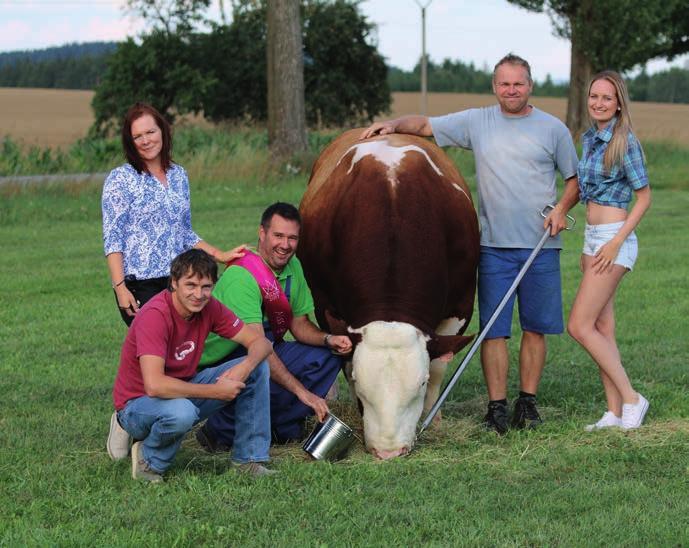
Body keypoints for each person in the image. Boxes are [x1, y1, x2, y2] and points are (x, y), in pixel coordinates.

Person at [361, 53, 579, 434]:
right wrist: (394, 124)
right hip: (494, 247)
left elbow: (574, 182)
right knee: (494, 331)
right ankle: (496, 407)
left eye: (519, 83)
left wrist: (561, 208)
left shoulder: (553, 129)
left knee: (535, 328)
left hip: (541, 246)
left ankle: (527, 403)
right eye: (504, 83)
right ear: (495, 87)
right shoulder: (478, 121)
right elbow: (426, 126)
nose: (512, 90)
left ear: (531, 85)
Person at [106, 249, 274, 482]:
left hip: (181, 390)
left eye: (206, 287)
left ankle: (249, 460)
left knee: (257, 367)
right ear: (174, 283)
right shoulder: (155, 315)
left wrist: (244, 368)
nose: (199, 294)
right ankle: (148, 460)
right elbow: (154, 386)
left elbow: (261, 343)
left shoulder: (210, 307)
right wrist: (216, 391)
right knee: (182, 412)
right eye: (191, 285)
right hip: (137, 402)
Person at [195, 202, 352, 451]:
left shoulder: (294, 266)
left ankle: (276, 424)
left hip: (267, 345)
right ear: (262, 233)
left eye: (292, 238)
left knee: (327, 358)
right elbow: (256, 347)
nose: (285, 245)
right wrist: (303, 393)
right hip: (227, 355)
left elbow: (299, 324)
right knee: (261, 372)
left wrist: (328, 340)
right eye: (278, 236)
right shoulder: (242, 276)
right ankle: (220, 430)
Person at [101, 102, 245, 326]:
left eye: (150, 132)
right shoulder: (121, 179)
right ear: (130, 141)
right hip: (141, 284)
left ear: (163, 131)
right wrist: (120, 288)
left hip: (179, 280)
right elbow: (113, 239)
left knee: (183, 350)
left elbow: (184, 232)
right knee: (156, 349)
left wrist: (220, 255)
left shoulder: (179, 175)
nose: (146, 140)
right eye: (138, 136)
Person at [567, 71, 651, 431]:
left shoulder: (624, 141)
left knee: (579, 325)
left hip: (613, 238)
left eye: (607, 97)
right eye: (594, 96)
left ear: (619, 104)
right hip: (592, 237)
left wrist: (615, 242)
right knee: (603, 326)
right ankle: (614, 412)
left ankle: (633, 399)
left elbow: (644, 197)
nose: (599, 103)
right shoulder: (590, 140)